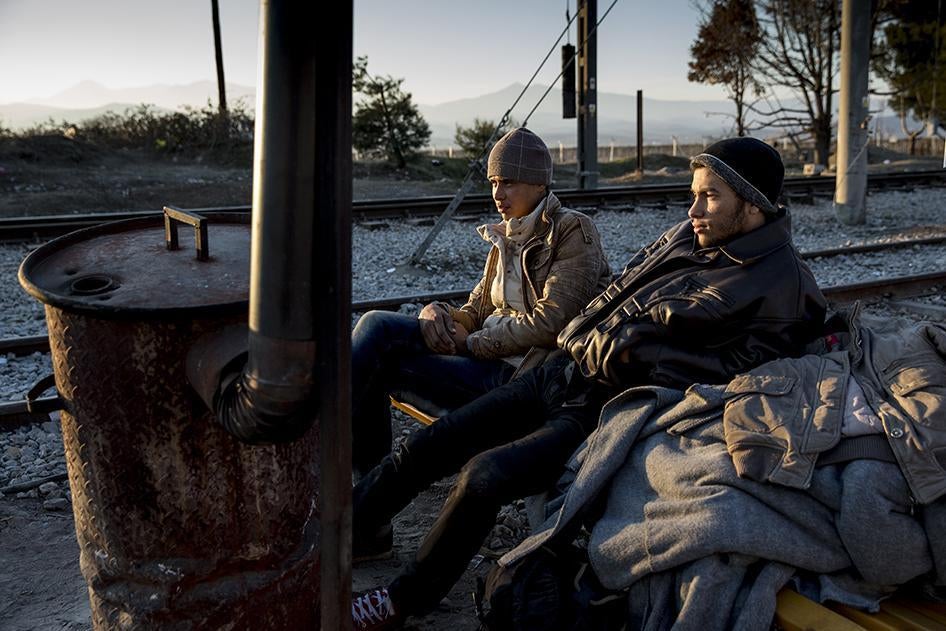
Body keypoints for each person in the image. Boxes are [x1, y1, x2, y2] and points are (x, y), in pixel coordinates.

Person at [349, 136, 827, 630]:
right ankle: (344, 535)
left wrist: (630, 350)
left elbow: (735, 376)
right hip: (561, 369)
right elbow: (619, 287)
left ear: (752, 204)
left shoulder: (783, 285)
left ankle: (399, 601)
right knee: (432, 443)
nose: (694, 209)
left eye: (709, 197)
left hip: (606, 407)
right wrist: (583, 335)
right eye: (694, 194)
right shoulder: (690, 234)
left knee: (484, 476)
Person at [350, 127, 611, 557]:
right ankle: (368, 522)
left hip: (520, 381)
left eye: (508, 181)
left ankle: (329, 460)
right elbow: (475, 308)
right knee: (379, 334)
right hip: (486, 361)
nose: (497, 192)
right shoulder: (505, 237)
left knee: (378, 333)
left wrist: (473, 344)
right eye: (493, 182)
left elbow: (552, 324)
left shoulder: (571, 231)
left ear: (539, 183)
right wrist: (438, 314)